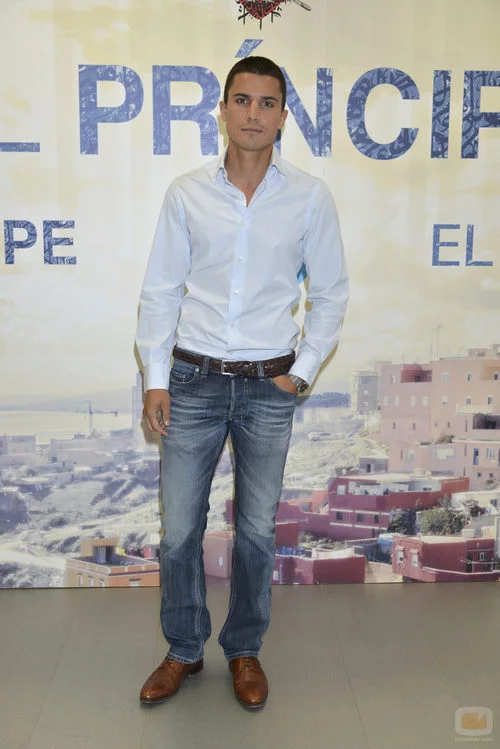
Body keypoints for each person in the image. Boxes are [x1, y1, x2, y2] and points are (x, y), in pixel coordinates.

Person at [135, 55, 349, 710]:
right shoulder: (186, 193)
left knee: (255, 529)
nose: (254, 113)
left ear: (283, 116)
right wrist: (156, 378)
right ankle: (182, 647)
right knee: (179, 530)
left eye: (267, 103)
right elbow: (161, 290)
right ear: (223, 109)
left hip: (268, 387)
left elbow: (331, 295)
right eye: (243, 100)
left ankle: (245, 648)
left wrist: (301, 373)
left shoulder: (309, 197)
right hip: (192, 380)